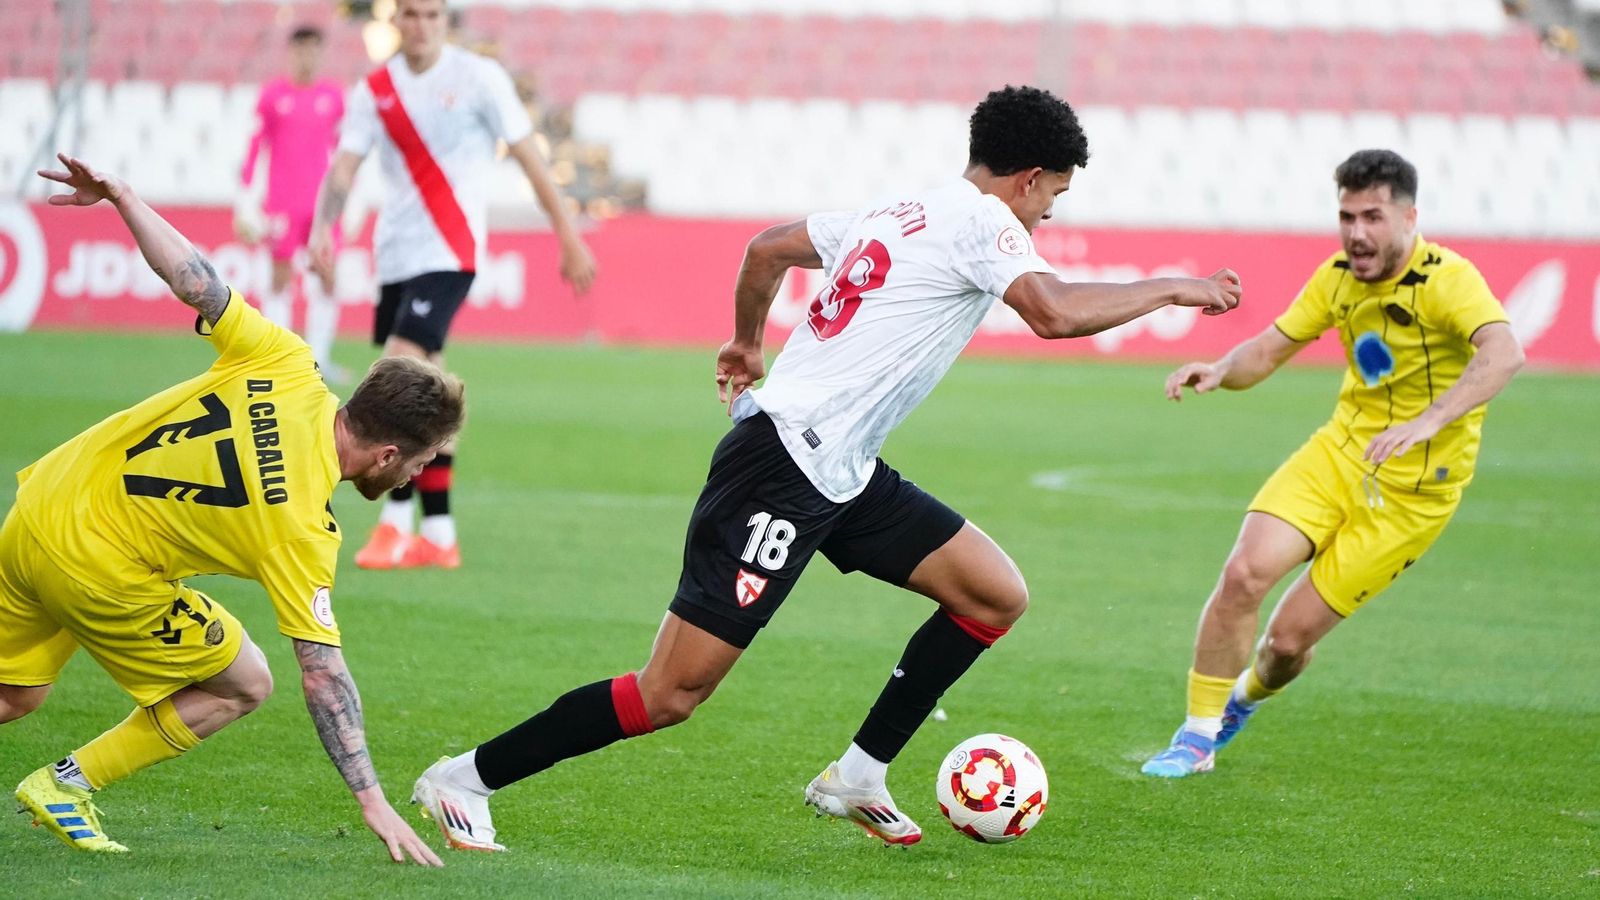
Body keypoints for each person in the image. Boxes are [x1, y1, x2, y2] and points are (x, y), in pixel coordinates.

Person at [406, 86, 1242, 851]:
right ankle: (463, 779)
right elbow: (1054, 313)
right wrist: (1172, 287)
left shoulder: (903, 208)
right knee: (671, 694)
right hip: (779, 471)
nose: (1049, 216)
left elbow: (767, 250)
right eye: (1054, 196)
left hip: (841, 470)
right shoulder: (987, 222)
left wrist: (745, 340)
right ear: (1027, 180)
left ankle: (859, 775)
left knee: (993, 595)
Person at [4, 155, 463, 865]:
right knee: (244, 682)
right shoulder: (303, 526)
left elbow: (196, 281)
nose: (422, 471)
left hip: (39, 504)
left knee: (14, 693)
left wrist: (124, 195)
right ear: (385, 454)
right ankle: (68, 783)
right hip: (94, 565)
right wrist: (372, 799)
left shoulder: (286, 361)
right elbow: (322, 673)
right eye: (423, 458)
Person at [1141, 149, 1525, 778]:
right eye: (1346, 216)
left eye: (1372, 216)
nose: (1356, 232)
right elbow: (1268, 349)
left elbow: (1504, 353)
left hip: (1413, 495)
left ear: (1408, 218)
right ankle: (1196, 736)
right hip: (1339, 454)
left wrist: (1430, 420)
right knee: (1243, 574)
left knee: (1288, 644)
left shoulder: (1448, 280)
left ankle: (1244, 700)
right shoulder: (1339, 275)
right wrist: (1220, 370)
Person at [310, 0, 597, 572]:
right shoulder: (376, 89)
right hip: (395, 254)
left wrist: (568, 234)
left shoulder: (478, 78)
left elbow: (530, 158)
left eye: (432, 14)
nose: (421, 24)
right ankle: (438, 533)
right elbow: (344, 166)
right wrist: (324, 228)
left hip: (451, 250)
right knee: (432, 392)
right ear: (396, 21)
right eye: (411, 14)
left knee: (395, 375)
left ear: (446, 21)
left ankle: (394, 525)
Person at [237, 25, 348, 383]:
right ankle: (280, 356)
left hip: (322, 208)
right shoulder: (273, 96)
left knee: (327, 277)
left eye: (314, 49)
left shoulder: (334, 97)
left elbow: (347, 153)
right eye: (301, 49)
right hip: (282, 203)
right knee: (280, 278)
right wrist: (246, 199)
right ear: (292, 52)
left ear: (322, 52)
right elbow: (255, 147)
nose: (307, 56)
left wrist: (351, 200)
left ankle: (320, 359)